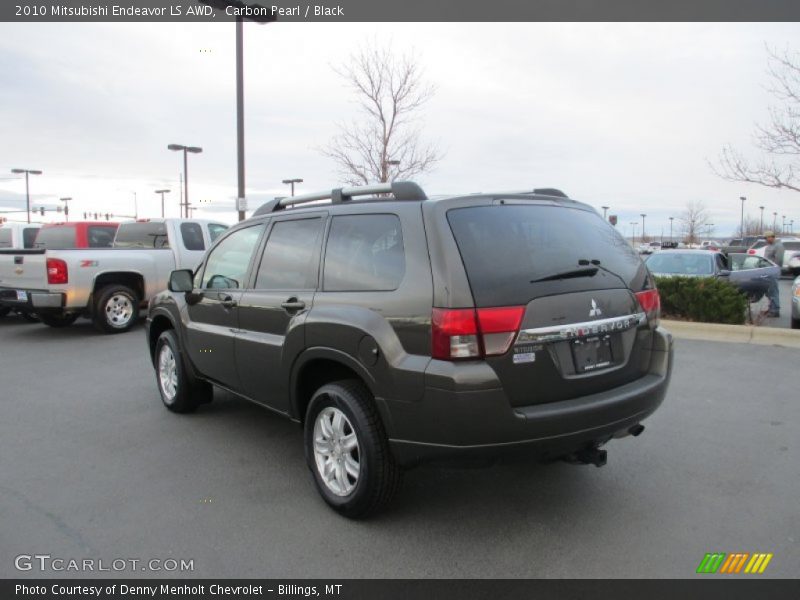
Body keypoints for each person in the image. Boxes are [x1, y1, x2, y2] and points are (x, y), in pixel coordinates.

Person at [762, 231, 782, 317]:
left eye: (766, 238)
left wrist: (773, 268)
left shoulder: (778, 246)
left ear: (771, 237)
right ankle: (771, 308)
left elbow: (779, 260)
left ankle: (775, 310)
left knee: (773, 291)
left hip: (773, 271)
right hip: (768, 271)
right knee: (769, 291)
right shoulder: (769, 246)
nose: (765, 240)